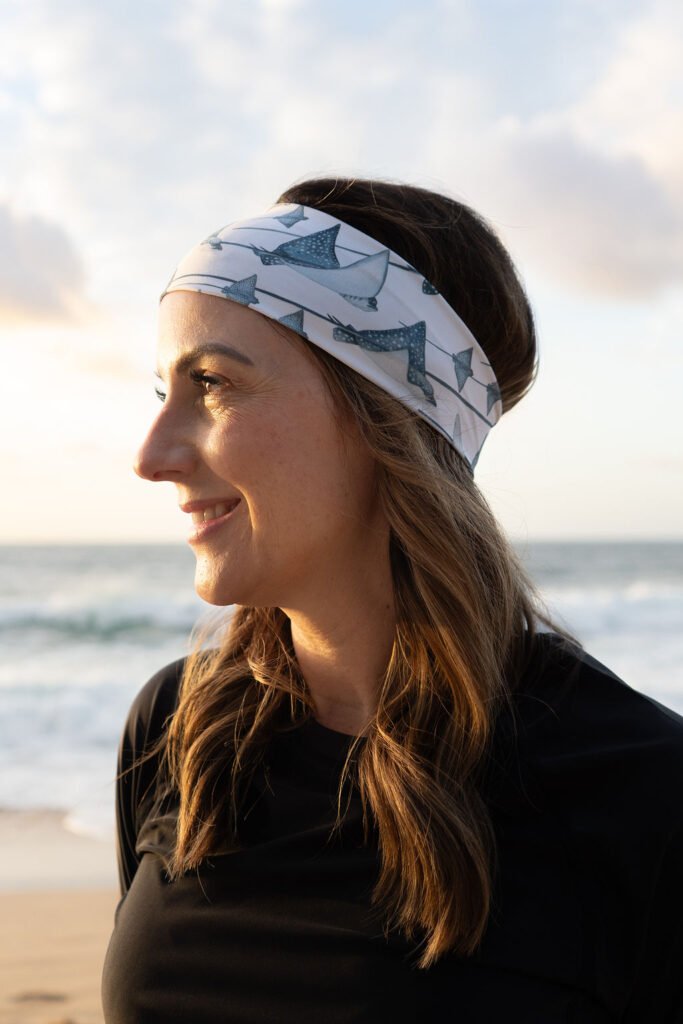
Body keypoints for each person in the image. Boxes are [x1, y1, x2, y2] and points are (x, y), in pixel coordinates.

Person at [101, 177, 683, 1023]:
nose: (152, 455)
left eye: (214, 384)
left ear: (385, 416)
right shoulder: (175, 729)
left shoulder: (641, 795)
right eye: (164, 394)